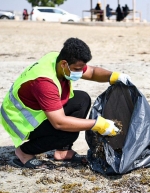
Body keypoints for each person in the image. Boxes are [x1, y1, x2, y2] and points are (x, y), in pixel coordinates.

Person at [0, 37, 132, 169]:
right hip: (20, 121)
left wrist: (114, 76)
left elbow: (91, 72)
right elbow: (59, 123)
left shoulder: (56, 59)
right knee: (66, 133)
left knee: (82, 99)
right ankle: (24, 152)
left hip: (38, 108)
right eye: (77, 69)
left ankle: (62, 151)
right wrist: (98, 124)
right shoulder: (44, 83)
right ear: (64, 64)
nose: (80, 73)